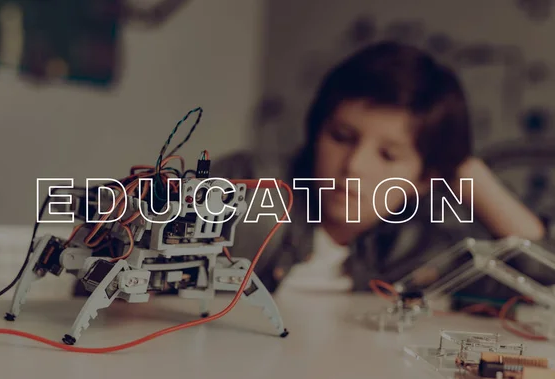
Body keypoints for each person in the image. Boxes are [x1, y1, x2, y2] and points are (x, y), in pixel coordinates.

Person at [211, 41, 545, 299]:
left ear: (424, 179)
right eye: (340, 137)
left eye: (387, 155)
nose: (354, 165)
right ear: (315, 133)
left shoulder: (417, 246)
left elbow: (541, 280)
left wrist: (471, 175)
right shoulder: (247, 187)